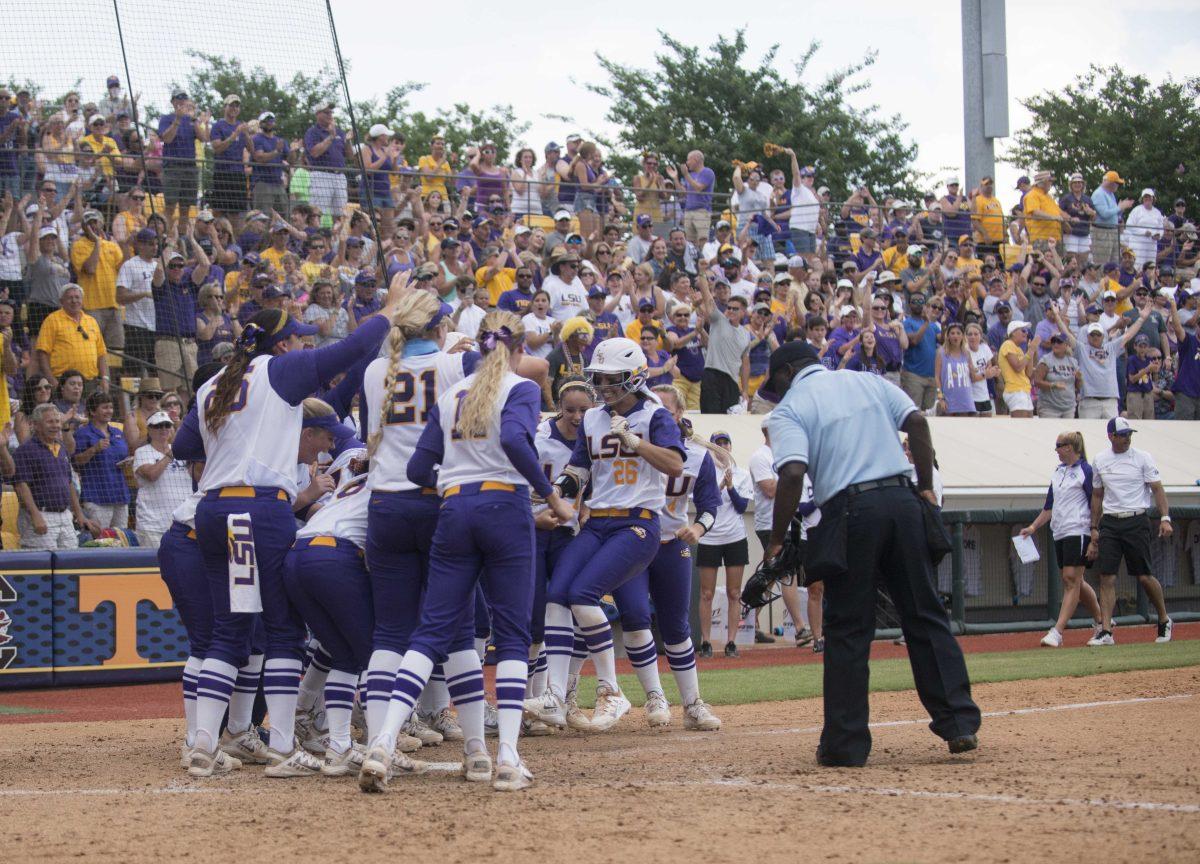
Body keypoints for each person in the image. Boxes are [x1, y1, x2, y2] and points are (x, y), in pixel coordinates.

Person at [170, 282, 403, 779]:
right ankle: (281, 746)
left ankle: (203, 746)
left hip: (213, 510)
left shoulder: (214, 385)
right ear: (280, 345)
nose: (300, 344)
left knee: (228, 633)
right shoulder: (279, 370)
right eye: (295, 337)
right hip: (258, 509)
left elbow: (184, 445)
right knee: (281, 631)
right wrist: (387, 310)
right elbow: (350, 349)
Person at [361, 311, 573, 793]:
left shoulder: (452, 394)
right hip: (504, 506)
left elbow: (417, 468)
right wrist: (552, 495)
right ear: (518, 348)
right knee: (514, 634)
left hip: (454, 509)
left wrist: (456, 484)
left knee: (429, 630)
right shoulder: (517, 388)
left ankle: (383, 741)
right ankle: (508, 758)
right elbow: (518, 440)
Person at [764, 341, 980, 767]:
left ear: (787, 372)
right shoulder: (867, 379)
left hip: (850, 511)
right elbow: (917, 422)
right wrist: (924, 486)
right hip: (903, 503)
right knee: (925, 614)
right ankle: (958, 723)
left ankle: (845, 744)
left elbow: (791, 472)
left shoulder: (789, 408)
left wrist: (775, 540)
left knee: (848, 628)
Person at [526, 338, 685, 733]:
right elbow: (578, 470)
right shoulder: (596, 418)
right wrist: (554, 492)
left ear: (634, 377)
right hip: (598, 520)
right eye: (600, 378)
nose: (605, 386)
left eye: (613, 379)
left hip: (638, 520)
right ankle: (555, 695)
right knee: (558, 593)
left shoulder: (655, 416)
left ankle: (612, 689)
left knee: (582, 594)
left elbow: (676, 465)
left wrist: (636, 442)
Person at [609, 384, 722, 729]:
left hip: (672, 542)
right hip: (631, 538)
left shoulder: (699, 456)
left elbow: (710, 506)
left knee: (676, 625)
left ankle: (692, 703)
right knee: (636, 615)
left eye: (665, 410)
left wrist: (699, 529)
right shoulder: (625, 447)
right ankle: (655, 696)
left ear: (678, 415)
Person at [1086, 417, 1174, 646]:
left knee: (1144, 576)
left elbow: (1157, 488)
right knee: (1107, 577)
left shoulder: (1142, 457)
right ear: (1111, 436)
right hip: (1111, 522)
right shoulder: (1100, 460)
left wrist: (1165, 518)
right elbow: (1097, 495)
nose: (1127, 438)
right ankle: (1106, 630)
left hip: (1136, 519)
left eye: (1129, 434)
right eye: (1123, 434)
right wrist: (1094, 527)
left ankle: (1164, 619)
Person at [1020, 431, 1105, 648]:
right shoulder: (1058, 473)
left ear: (1070, 447)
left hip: (1079, 530)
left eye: (1059, 445)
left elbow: (1095, 502)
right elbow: (1049, 506)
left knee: (1070, 578)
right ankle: (1102, 622)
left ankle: (1057, 631)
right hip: (1060, 531)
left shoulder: (1086, 471)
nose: (1056, 449)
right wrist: (1033, 527)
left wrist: (1094, 534)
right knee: (1075, 580)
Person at [696, 431, 752, 658]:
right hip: (710, 536)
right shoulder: (705, 472)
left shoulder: (742, 474)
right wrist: (718, 487)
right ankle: (706, 641)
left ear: (730, 446)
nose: (721, 447)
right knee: (706, 593)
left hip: (734, 536)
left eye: (724, 443)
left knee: (734, 592)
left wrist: (730, 486)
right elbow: (702, 503)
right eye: (716, 444)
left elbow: (741, 506)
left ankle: (731, 642)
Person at [14, 404, 99, 549]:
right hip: (41, 515)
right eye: (50, 422)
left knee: (70, 563)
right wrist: (36, 515)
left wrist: (79, 514)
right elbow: (21, 486)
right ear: (35, 425)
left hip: (65, 515)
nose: (55, 425)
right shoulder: (25, 451)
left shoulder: (61, 448)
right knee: (42, 567)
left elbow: (69, 482)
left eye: (57, 421)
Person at [133, 409, 192, 548]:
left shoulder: (182, 450)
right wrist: (171, 454)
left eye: (167, 425)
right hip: (153, 526)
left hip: (183, 523)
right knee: (153, 567)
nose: (163, 429)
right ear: (149, 430)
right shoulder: (142, 452)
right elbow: (151, 475)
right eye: (158, 426)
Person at [72, 390, 130, 530]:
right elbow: (75, 462)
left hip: (120, 494)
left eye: (110, 407)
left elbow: (123, 454)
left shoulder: (117, 432)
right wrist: (94, 449)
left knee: (121, 539)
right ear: (92, 411)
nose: (109, 411)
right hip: (96, 496)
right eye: (104, 407)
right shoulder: (82, 433)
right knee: (100, 540)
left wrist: (127, 461)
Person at [34, 284, 108, 391]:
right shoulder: (52, 320)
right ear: (61, 301)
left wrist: (105, 378)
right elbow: (42, 353)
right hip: (62, 382)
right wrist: (52, 380)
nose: (74, 301)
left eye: (77, 297)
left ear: (82, 300)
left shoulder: (92, 321)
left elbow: (101, 353)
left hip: (89, 382)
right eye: (70, 298)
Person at [697, 271, 751, 413]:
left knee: (730, 422)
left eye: (735, 308)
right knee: (710, 419)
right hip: (712, 376)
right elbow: (708, 298)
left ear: (744, 312)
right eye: (729, 307)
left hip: (732, 382)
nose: (731, 310)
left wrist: (745, 390)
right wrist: (702, 276)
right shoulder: (719, 320)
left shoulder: (746, 334)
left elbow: (745, 364)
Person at [998, 321, 1035, 417]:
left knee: (1029, 427)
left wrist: (1030, 351)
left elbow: (1029, 373)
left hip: (1024, 390)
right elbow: (1018, 367)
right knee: (1020, 426)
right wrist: (1030, 352)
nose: (1026, 333)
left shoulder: (1019, 349)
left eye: (1026, 331)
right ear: (1013, 332)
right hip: (1014, 390)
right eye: (1023, 330)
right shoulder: (1008, 344)